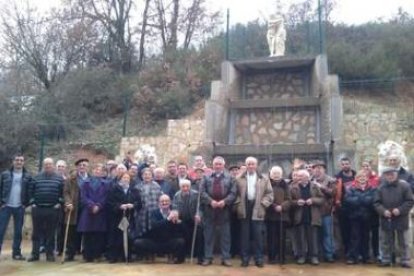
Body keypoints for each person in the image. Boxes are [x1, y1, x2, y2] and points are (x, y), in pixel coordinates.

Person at [234, 157, 273, 268]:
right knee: (244, 236)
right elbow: (235, 194)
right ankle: (245, 259)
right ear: (246, 165)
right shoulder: (238, 178)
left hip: (257, 207)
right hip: (244, 207)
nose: (250, 166)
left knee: (258, 236)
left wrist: (263, 204)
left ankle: (259, 258)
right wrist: (238, 205)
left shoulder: (264, 178)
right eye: (248, 164)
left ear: (256, 165)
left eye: (253, 164)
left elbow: (269, 194)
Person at [374, 167, 414, 268]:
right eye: (387, 174)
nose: (390, 176)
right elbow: (376, 203)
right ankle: (386, 259)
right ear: (385, 176)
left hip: (401, 217)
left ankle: (405, 260)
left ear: (396, 174)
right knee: (385, 240)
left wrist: (400, 210)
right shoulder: (380, 187)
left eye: (392, 174)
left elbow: (410, 201)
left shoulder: (405, 186)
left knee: (404, 241)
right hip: (386, 218)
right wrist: (383, 211)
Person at [200, 156, 237, 267]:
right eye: (216, 164)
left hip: (224, 210)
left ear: (223, 165)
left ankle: (225, 258)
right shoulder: (206, 178)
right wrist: (210, 201)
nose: (218, 166)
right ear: (213, 165)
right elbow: (202, 193)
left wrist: (225, 201)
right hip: (209, 210)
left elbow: (233, 193)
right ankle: (208, 257)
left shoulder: (230, 178)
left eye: (220, 164)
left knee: (225, 236)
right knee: (208, 235)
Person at [28, 158, 64, 262]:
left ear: (53, 165)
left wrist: (59, 203)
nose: (48, 166)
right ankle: (35, 254)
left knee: (51, 233)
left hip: (53, 209)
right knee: (36, 232)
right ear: (44, 165)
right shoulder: (36, 177)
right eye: (46, 164)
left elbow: (62, 193)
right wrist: (33, 203)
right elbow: (31, 191)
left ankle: (49, 254)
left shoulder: (59, 178)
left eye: (50, 164)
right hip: (38, 208)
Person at [133, 194, 185, 264]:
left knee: (181, 241)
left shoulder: (175, 213)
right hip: (155, 242)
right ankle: (150, 254)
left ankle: (172, 255)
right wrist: (168, 219)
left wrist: (178, 222)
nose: (164, 203)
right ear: (159, 203)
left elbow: (181, 230)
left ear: (170, 202)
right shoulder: (154, 213)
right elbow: (155, 226)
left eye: (166, 201)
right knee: (138, 242)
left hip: (168, 242)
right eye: (162, 201)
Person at [0, 153, 32, 260]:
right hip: (6, 207)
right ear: (13, 162)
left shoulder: (27, 176)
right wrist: (1, 203)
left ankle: (16, 253)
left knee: (18, 231)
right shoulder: (5, 174)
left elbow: (30, 191)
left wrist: (25, 204)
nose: (19, 162)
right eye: (17, 160)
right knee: (1, 230)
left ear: (23, 162)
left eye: (21, 160)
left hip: (19, 207)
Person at [290, 169, 324, 265]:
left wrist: (313, 200)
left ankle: (313, 256)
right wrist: (297, 202)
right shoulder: (293, 187)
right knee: (300, 238)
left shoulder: (314, 186)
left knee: (313, 238)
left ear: (307, 177)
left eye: (301, 176)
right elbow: (290, 201)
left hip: (312, 216)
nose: (299, 178)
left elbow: (322, 199)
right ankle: (301, 256)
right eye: (298, 176)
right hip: (299, 216)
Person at [107, 172, 142, 263]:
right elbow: (109, 202)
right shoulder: (114, 189)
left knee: (128, 237)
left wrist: (133, 205)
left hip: (129, 217)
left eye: (127, 178)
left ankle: (126, 256)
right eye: (124, 177)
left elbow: (139, 203)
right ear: (120, 179)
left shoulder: (134, 190)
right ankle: (113, 256)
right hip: (116, 217)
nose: (126, 179)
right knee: (115, 236)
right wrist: (119, 206)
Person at [77, 164, 109, 262]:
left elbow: (106, 197)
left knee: (98, 235)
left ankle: (97, 255)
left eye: (100, 170)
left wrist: (98, 205)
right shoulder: (85, 183)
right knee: (87, 234)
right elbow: (83, 197)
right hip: (88, 211)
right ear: (93, 170)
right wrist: (91, 205)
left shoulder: (106, 184)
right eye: (96, 169)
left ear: (102, 172)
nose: (97, 171)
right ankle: (87, 255)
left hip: (100, 212)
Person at [343, 170, 377, 264]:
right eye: (360, 177)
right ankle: (353, 257)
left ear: (367, 178)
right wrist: (363, 199)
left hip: (367, 216)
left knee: (366, 237)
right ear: (356, 178)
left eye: (364, 177)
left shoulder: (372, 188)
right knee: (354, 237)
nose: (362, 178)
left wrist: (359, 199)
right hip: (355, 217)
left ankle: (366, 256)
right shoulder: (350, 188)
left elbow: (372, 200)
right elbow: (348, 200)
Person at [172, 179, 204, 264]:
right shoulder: (176, 195)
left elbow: (200, 207)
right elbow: (175, 207)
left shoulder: (196, 194)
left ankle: (200, 258)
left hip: (195, 219)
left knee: (199, 237)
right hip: (183, 220)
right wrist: (176, 215)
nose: (185, 188)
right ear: (180, 187)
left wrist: (199, 215)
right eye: (183, 186)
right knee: (182, 237)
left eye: (187, 186)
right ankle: (181, 258)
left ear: (190, 187)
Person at [312, 160, 337, 263]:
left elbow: (333, 193)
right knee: (315, 235)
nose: (318, 170)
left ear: (324, 169)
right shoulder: (310, 180)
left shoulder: (331, 180)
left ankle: (329, 254)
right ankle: (317, 254)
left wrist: (321, 187)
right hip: (314, 212)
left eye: (320, 168)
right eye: (316, 168)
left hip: (326, 211)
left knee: (328, 234)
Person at [265, 166, 291, 264]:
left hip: (282, 216)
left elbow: (289, 199)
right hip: (271, 214)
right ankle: (271, 257)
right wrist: (273, 206)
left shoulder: (285, 185)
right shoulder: (267, 183)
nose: (276, 175)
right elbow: (265, 197)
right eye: (274, 173)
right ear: (271, 174)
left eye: (278, 173)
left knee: (282, 237)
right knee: (271, 237)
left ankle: (282, 257)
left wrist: (282, 206)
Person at [335, 157, 356, 256]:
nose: (345, 166)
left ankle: (356, 252)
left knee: (355, 231)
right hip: (343, 208)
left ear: (350, 164)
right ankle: (347, 252)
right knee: (345, 232)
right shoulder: (337, 177)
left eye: (347, 164)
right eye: (343, 164)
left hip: (355, 207)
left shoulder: (356, 176)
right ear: (341, 166)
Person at [133, 168, 163, 238]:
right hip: (141, 213)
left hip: (153, 212)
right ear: (142, 176)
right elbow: (134, 201)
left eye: (149, 174)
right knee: (141, 233)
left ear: (152, 176)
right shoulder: (137, 187)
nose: (147, 176)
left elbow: (161, 199)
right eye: (145, 174)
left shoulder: (157, 186)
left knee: (153, 232)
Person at [361, 159, 380, 261]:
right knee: (364, 234)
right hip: (363, 211)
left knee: (376, 234)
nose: (366, 168)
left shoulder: (377, 178)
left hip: (375, 211)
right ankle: (365, 255)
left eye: (367, 166)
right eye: (364, 166)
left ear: (370, 167)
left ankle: (376, 254)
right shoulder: (359, 178)